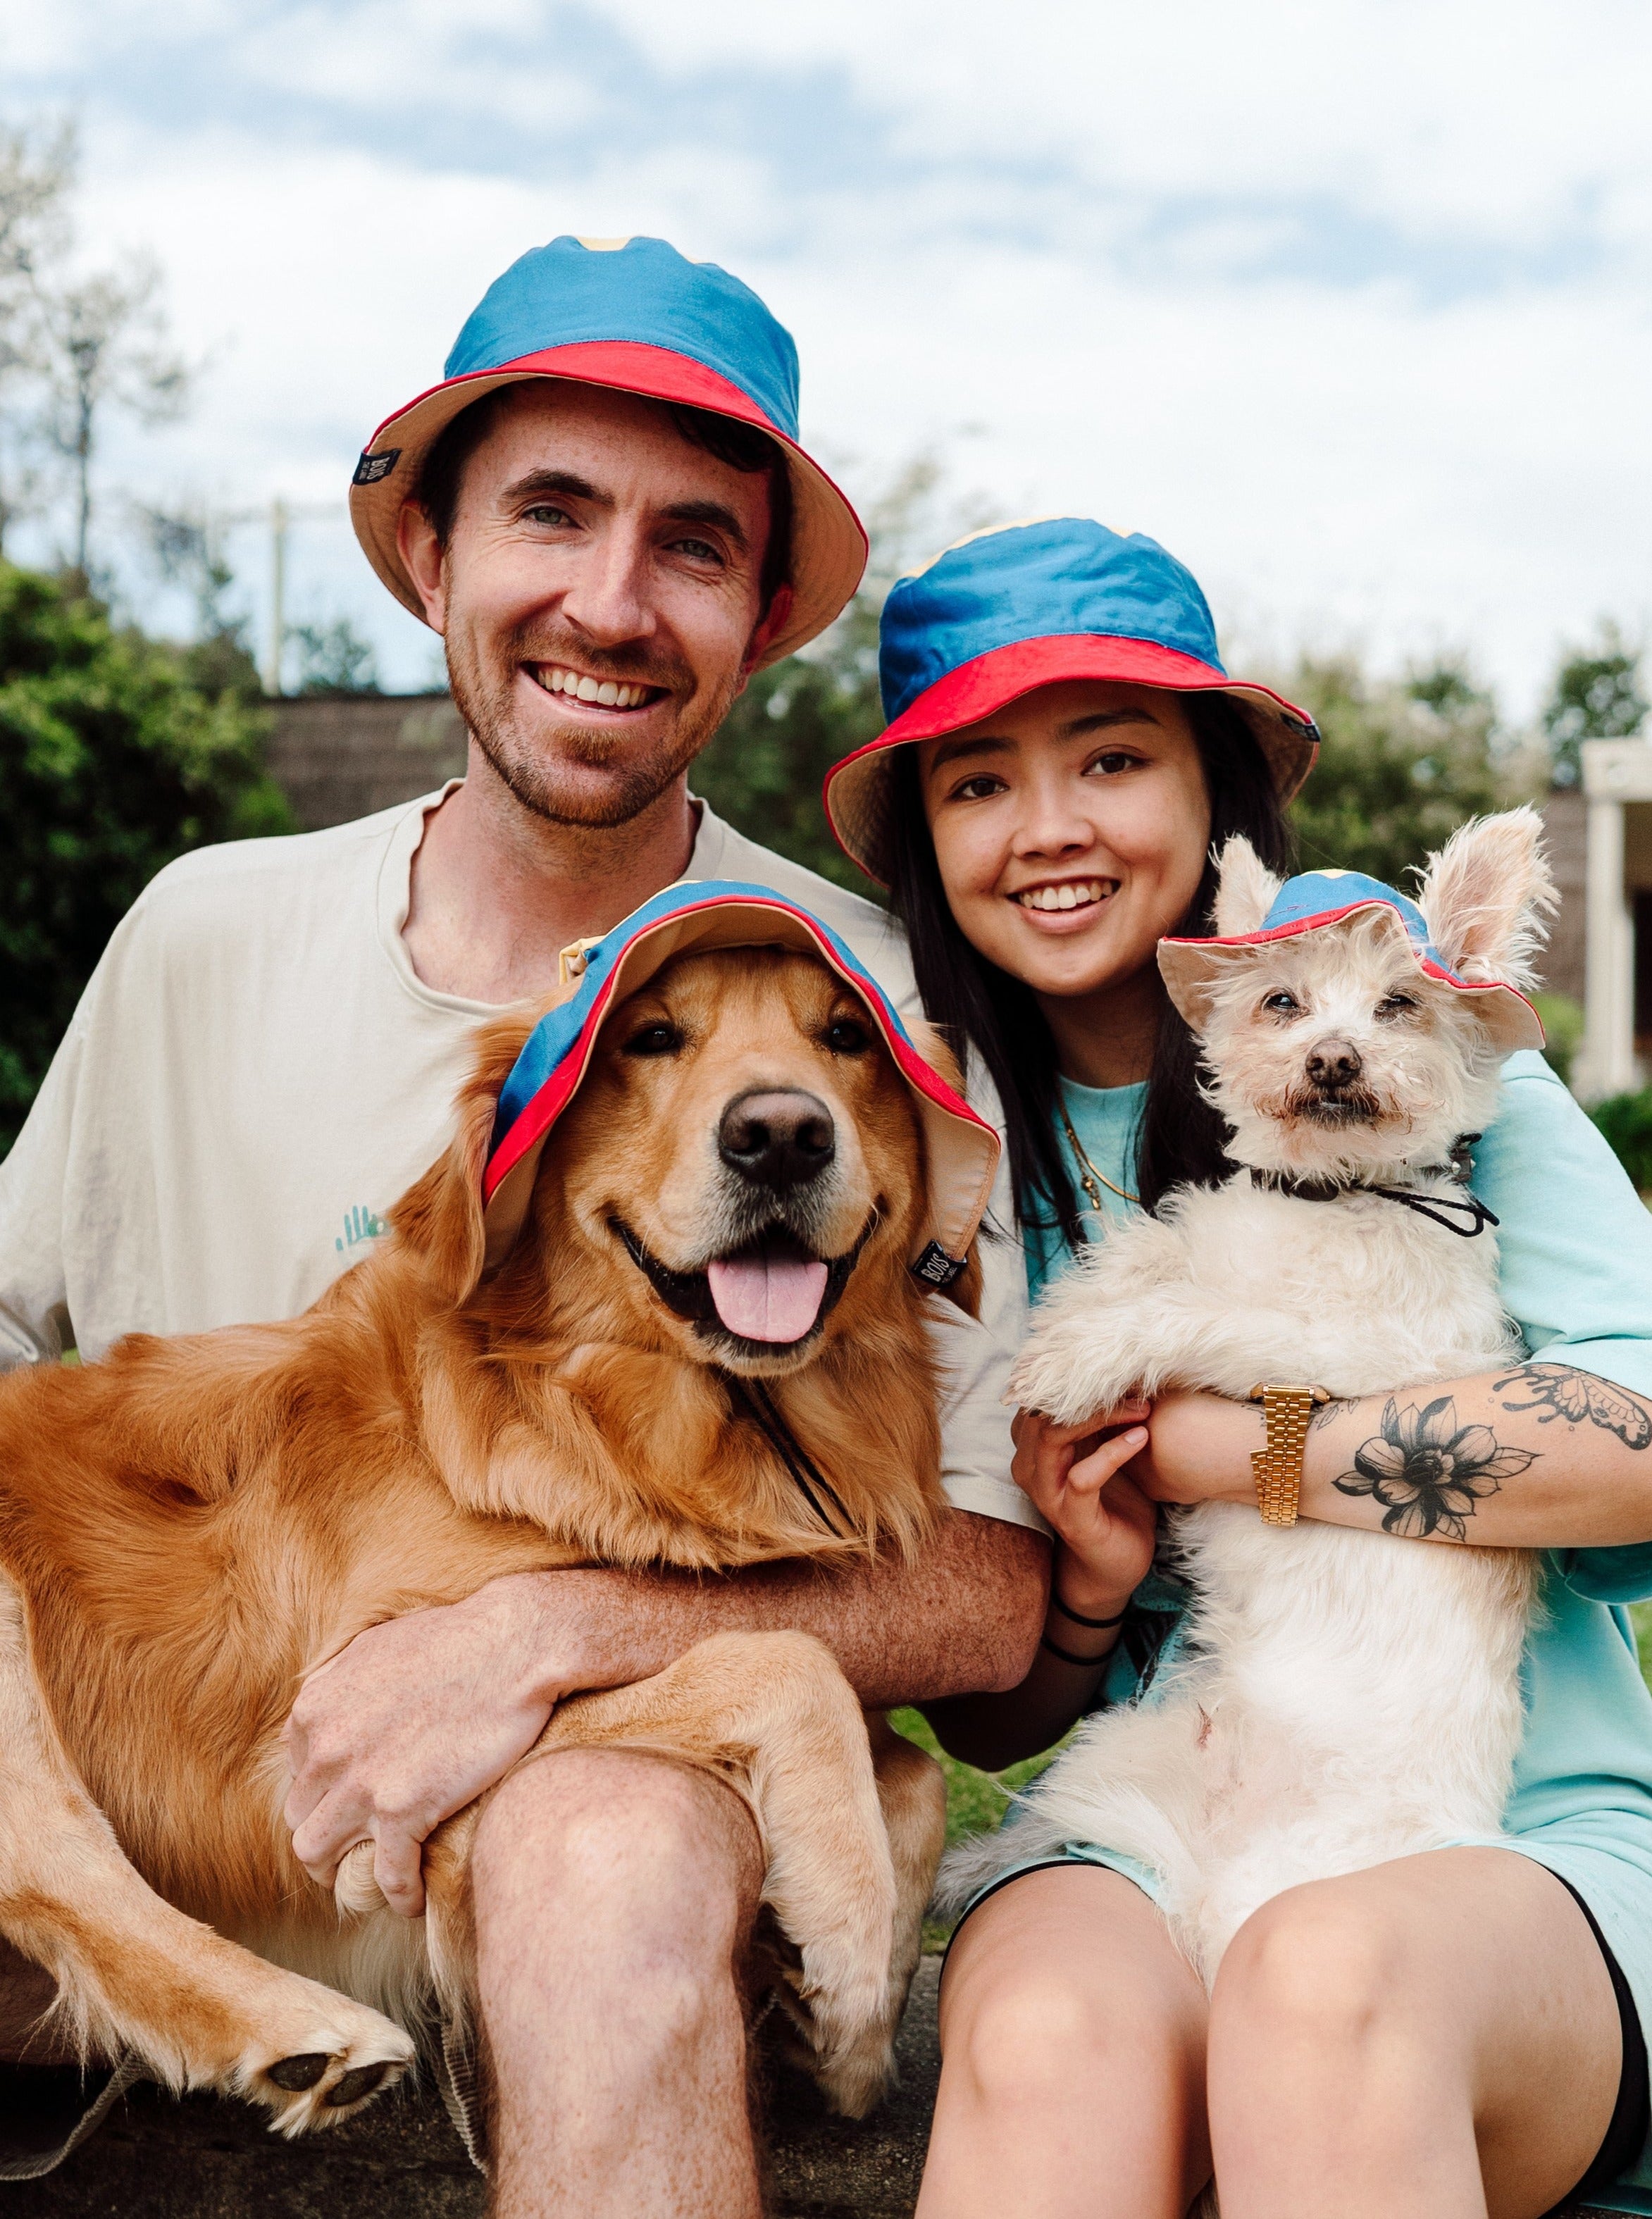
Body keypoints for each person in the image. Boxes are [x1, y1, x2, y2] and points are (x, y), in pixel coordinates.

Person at [0, 237, 1050, 2213]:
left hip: (583, 1801)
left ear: (759, 620)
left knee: (610, 1842)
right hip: (149, 1758)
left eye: (692, 547)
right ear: (430, 557)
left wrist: (555, 1631)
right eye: (550, 514)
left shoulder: (887, 1009)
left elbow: (992, 1587)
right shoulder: (202, 934)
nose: (611, 602)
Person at [822, 514, 1652, 2218]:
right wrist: (1083, 1593)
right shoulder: (928, 1152)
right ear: (929, 845)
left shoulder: (1448, 1076)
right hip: (1175, 1786)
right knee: (1046, 2032)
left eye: (1112, 760)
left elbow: (1641, 1443)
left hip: (1511, 1823)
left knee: (1319, 1984)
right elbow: (994, 1708)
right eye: (977, 783)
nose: (1048, 827)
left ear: (1219, 798)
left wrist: (1238, 1450)